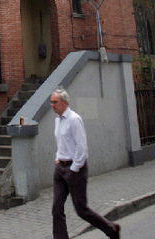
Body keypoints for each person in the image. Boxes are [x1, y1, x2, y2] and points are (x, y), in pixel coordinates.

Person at [51, 87, 121, 239]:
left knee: (81, 210)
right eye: (51, 102)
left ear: (65, 103)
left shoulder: (74, 119)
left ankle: (111, 229)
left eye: (55, 102)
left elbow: (81, 147)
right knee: (56, 208)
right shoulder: (57, 120)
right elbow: (61, 143)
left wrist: (73, 169)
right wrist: (58, 158)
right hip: (60, 169)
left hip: (75, 169)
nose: (52, 105)